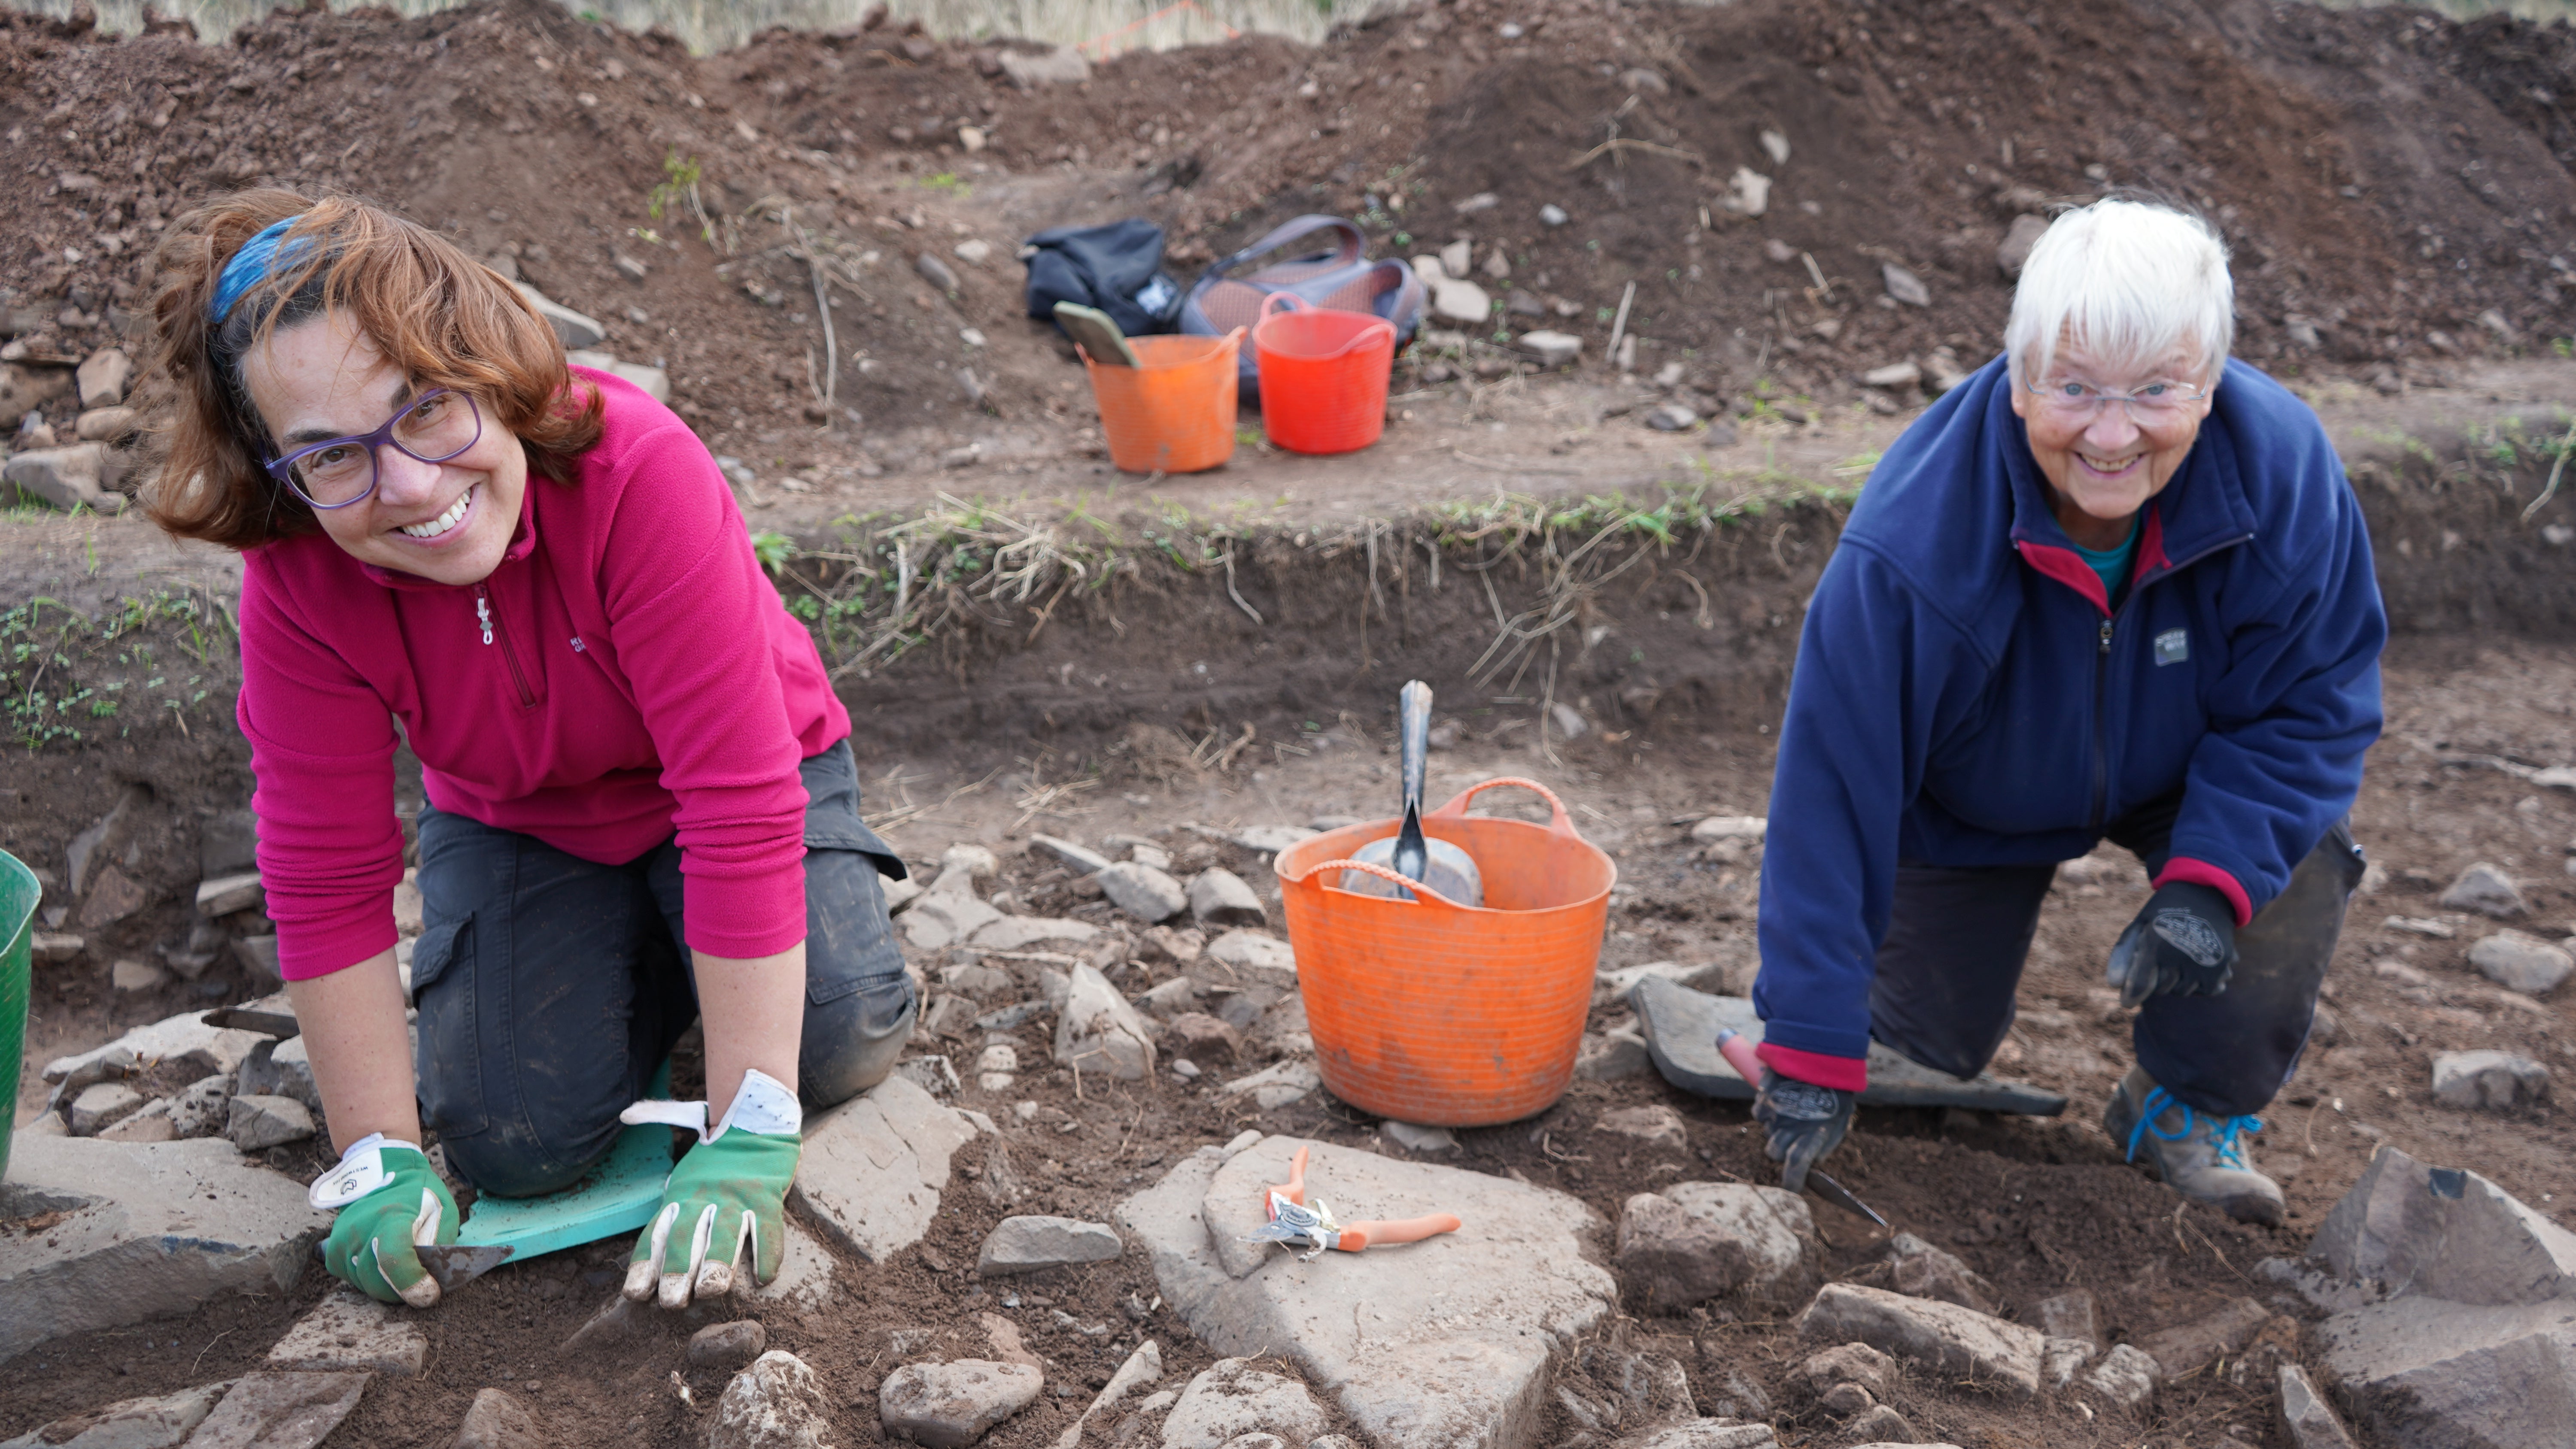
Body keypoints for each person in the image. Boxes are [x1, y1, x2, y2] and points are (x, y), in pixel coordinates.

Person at [140, 191, 916, 1307]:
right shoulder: (298, 582)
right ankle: (663, 954)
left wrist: (749, 1126)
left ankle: (710, 955)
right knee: (512, 1142)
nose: (409, 487)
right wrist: (375, 1155)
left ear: (488, 369)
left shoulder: (636, 469)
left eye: (425, 410)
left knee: (835, 1043)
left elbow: (737, 804)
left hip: (749, 778)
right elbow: (325, 873)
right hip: (518, 818)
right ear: (283, 478)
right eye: (331, 459)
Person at [1746, 198, 2384, 1226]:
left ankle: (2181, 1108)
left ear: (2210, 384)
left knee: (2296, 867)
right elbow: (1833, 786)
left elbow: (2313, 705)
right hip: (1971, 792)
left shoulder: (2284, 475)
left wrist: (2210, 889)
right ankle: (1859, 1013)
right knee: (1921, 1043)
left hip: (2188, 766)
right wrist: (1812, 1045)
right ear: (2018, 377)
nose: (2112, 432)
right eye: (2074, 388)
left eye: (2156, 392)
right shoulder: (1912, 545)